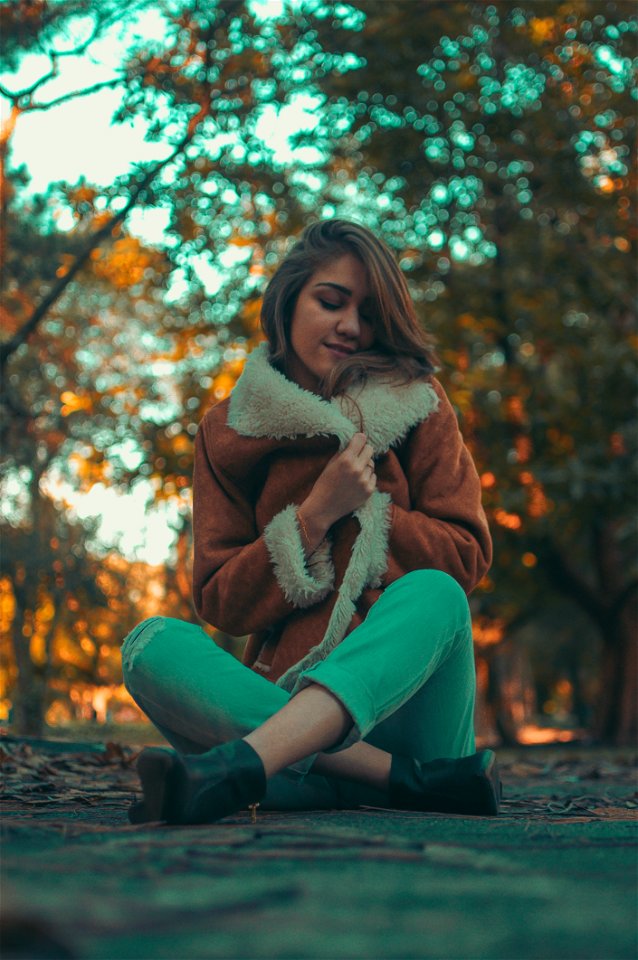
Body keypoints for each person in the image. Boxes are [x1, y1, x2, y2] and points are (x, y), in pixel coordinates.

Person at [121, 218, 501, 825]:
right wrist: (314, 514)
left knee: (436, 593)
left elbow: (465, 557)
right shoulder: (229, 431)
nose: (351, 326)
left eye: (370, 313)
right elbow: (221, 599)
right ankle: (390, 782)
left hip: (413, 722)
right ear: (289, 299)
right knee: (148, 646)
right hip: (294, 711)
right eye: (331, 301)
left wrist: (370, 511)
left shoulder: (420, 403)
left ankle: (242, 767)